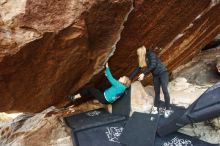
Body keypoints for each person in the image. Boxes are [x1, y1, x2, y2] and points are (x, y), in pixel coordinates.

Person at [130, 46, 172, 118]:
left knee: (165, 90)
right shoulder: (142, 58)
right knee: (157, 92)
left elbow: (153, 65)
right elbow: (138, 69)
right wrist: (129, 79)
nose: (138, 55)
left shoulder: (151, 54)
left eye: (138, 53)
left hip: (163, 73)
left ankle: (168, 109)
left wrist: (143, 74)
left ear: (141, 52)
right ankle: (155, 109)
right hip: (156, 75)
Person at [67, 63, 131, 104]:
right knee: (102, 87)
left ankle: (74, 97)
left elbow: (111, 79)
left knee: (89, 89)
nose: (121, 77)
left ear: (124, 82)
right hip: (108, 101)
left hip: (103, 98)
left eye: (122, 77)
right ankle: (97, 99)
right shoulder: (123, 88)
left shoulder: (119, 85)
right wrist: (107, 74)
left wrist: (107, 68)